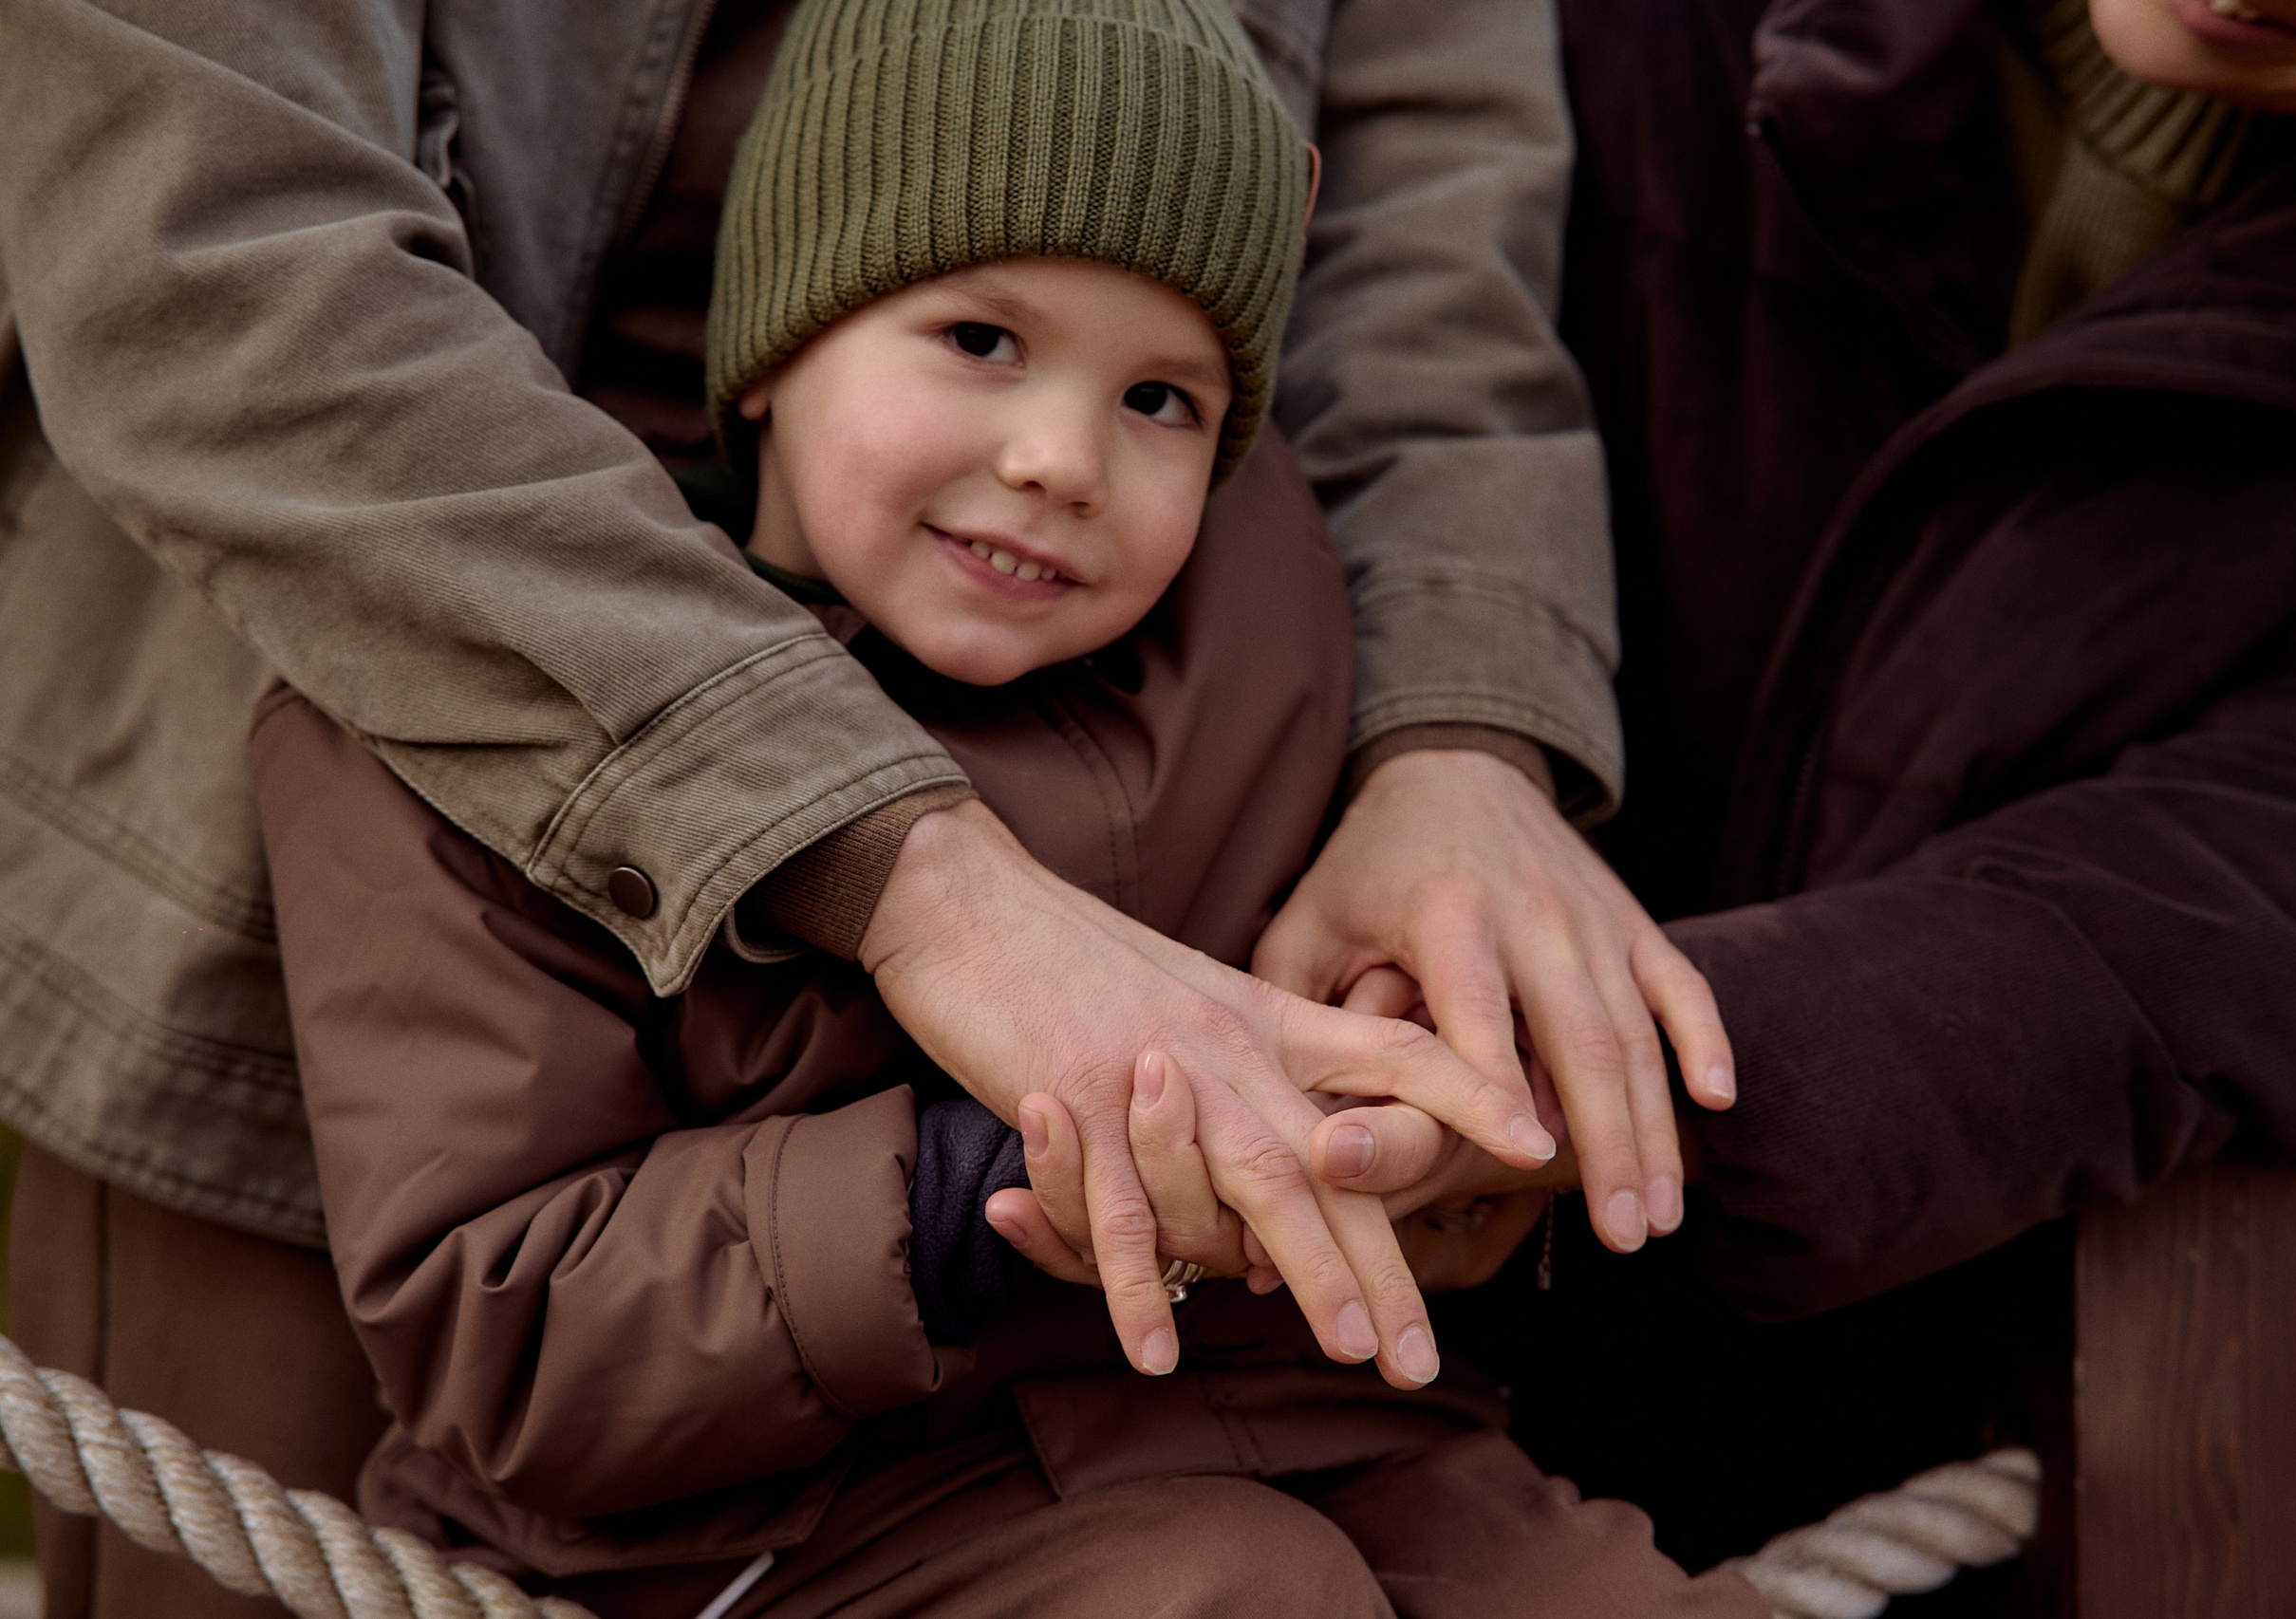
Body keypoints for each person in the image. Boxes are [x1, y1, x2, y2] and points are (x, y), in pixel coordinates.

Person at [1, 0, 1714, 1609]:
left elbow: (1428, 215)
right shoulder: (391, 777)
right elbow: (519, 1332)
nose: (1061, 455)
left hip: (1271, 1435)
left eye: (1159, 399)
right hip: (755, 1507)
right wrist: (973, 1181)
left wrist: (1434, 911)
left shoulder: (1264, 618)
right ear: (772, 350)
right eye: (979, 340)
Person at [1190, 0, 2296, 1565]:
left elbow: (2252, 892)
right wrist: (1457, 739)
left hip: (1895, 1402)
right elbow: (1368, 319)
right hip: (1208, 1222)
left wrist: (1595, 1068)